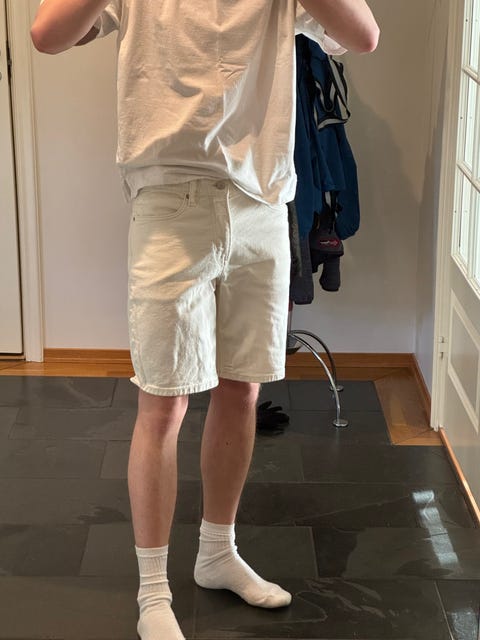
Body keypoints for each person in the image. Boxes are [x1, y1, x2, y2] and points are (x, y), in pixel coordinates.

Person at [31, 2, 379, 638]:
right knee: (163, 401)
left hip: (263, 202)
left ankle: (218, 552)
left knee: (242, 389)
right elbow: (47, 34)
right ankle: (153, 591)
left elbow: (364, 35)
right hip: (169, 201)